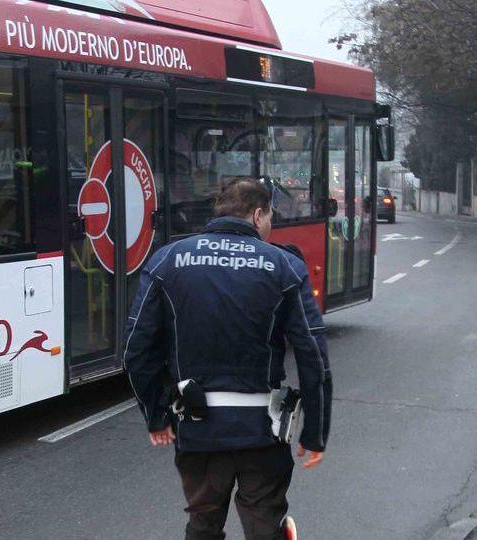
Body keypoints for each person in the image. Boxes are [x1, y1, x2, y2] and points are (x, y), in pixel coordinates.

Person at [123, 177, 329, 540]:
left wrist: (156, 415)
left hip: (197, 429)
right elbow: (313, 356)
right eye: (270, 219)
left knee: (203, 522)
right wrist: (315, 433)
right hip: (263, 431)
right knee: (265, 521)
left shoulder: (167, 261)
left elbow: (136, 350)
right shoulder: (284, 266)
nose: (270, 228)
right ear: (258, 213)